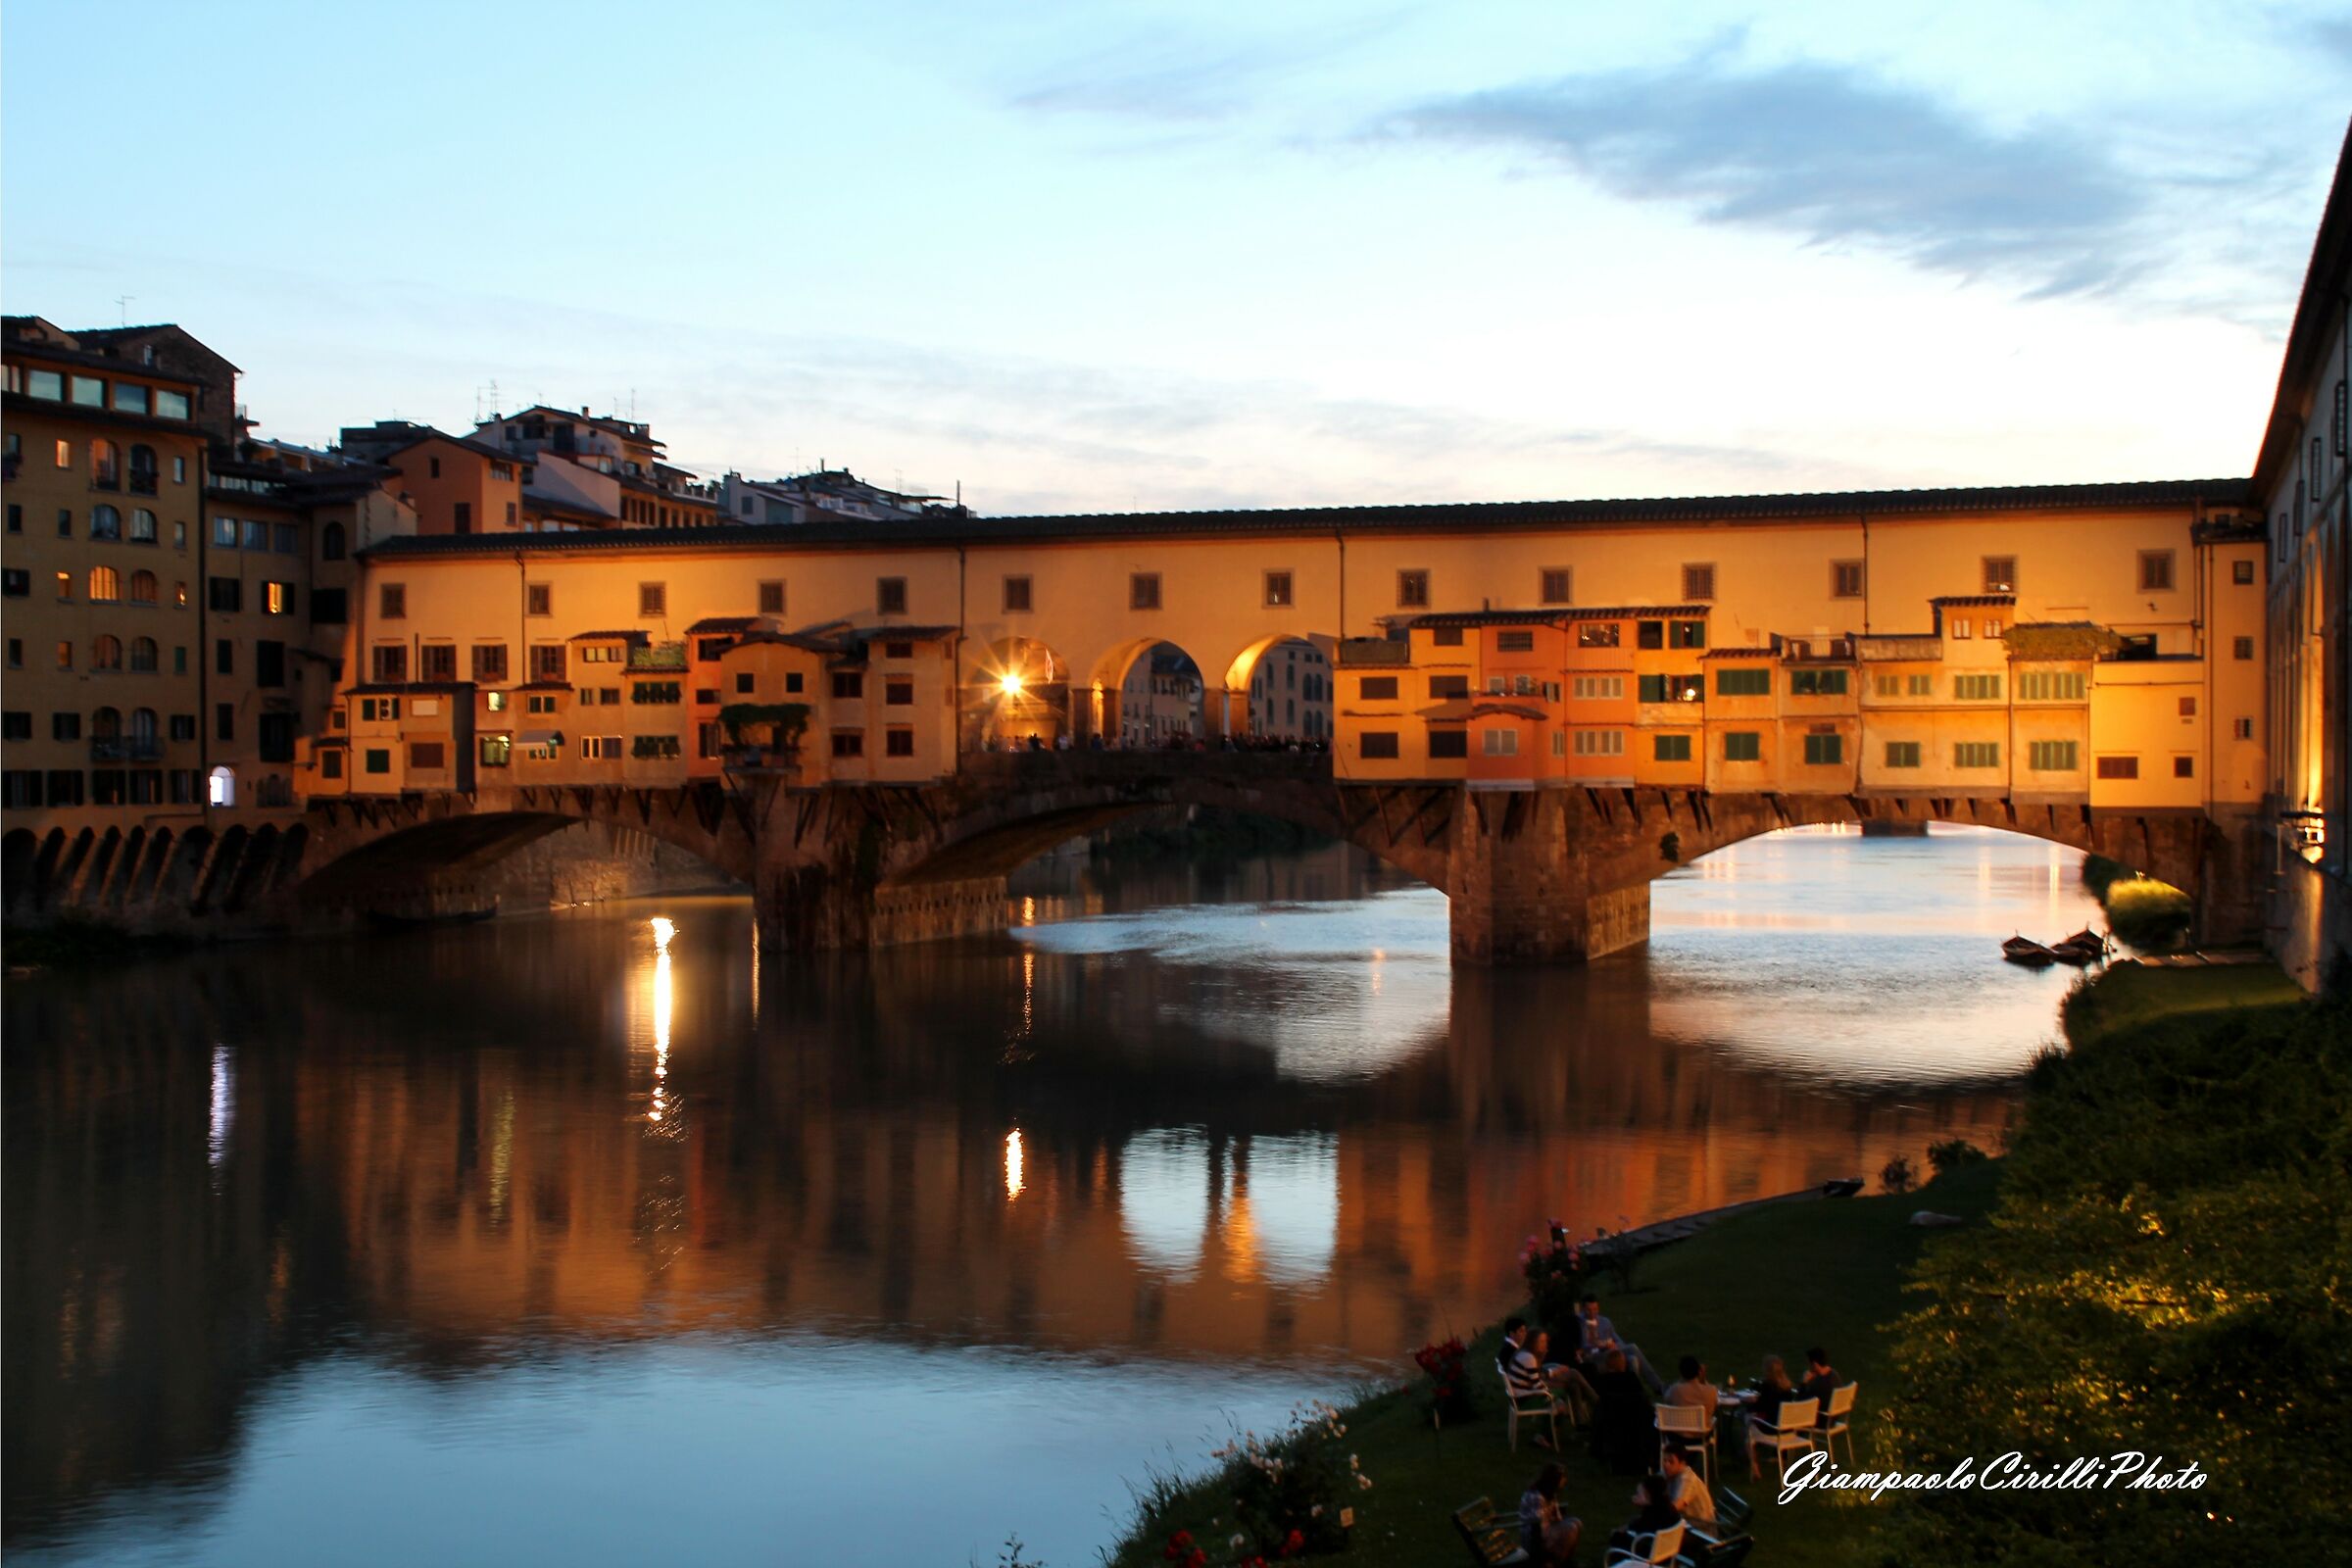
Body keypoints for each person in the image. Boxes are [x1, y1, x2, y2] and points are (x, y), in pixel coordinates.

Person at [1576, 1295, 1665, 1396]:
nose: (1592, 1313)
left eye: (1595, 1309)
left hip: (1611, 1354)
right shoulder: (1578, 1324)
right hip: (1594, 1359)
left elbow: (1619, 1342)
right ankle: (1658, 1387)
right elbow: (1582, 1348)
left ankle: (1635, 1394)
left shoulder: (1605, 1322)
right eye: (1588, 1310)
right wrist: (1599, 1346)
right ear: (1583, 1309)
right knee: (1632, 1348)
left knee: (1632, 1359)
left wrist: (1614, 1345)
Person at [1591, 1348, 1655, 1475]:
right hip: (1636, 1425)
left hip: (1613, 1426)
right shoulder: (1631, 1379)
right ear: (1623, 1364)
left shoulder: (1603, 1381)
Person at [1518, 1462, 1584, 1566]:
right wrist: (1554, 1520)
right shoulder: (1536, 1496)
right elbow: (1539, 1524)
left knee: (1577, 1523)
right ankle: (1557, 1561)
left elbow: (1557, 1517)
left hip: (1545, 1529)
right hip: (1533, 1535)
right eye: (1563, 1478)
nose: (1565, 1481)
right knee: (1570, 1528)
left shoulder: (1550, 1493)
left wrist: (1555, 1516)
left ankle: (1563, 1558)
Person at [1746, 1356, 1801, 1480]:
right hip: (1788, 1429)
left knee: (1748, 1425)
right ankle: (1779, 1455)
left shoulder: (1768, 1387)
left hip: (1772, 1429)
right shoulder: (1787, 1388)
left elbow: (1759, 1407)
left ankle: (1754, 1464)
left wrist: (1748, 1403)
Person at [1604, 1474, 1683, 1560]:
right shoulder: (1667, 1507)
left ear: (1649, 1496)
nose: (1635, 1496)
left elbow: (1639, 1527)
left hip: (1652, 1554)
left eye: (1638, 1494)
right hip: (1667, 1551)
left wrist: (1617, 1533)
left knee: (1617, 1538)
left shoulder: (1652, 1515)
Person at [1661, 1443, 1715, 1530]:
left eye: (1671, 1462)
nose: (1666, 1465)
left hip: (1701, 1531)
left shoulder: (1688, 1479)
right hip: (1685, 1525)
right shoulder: (1669, 1473)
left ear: (1682, 1463)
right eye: (1664, 1460)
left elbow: (1678, 1505)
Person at [1664, 1354, 1721, 1424]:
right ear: (1698, 1371)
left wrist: (1681, 1379)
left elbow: (1666, 1399)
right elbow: (1715, 1406)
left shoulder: (1675, 1390)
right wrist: (1703, 1379)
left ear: (1681, 1372)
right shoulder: (1712, 1390)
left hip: (1678, 1433)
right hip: (1702, 1433)